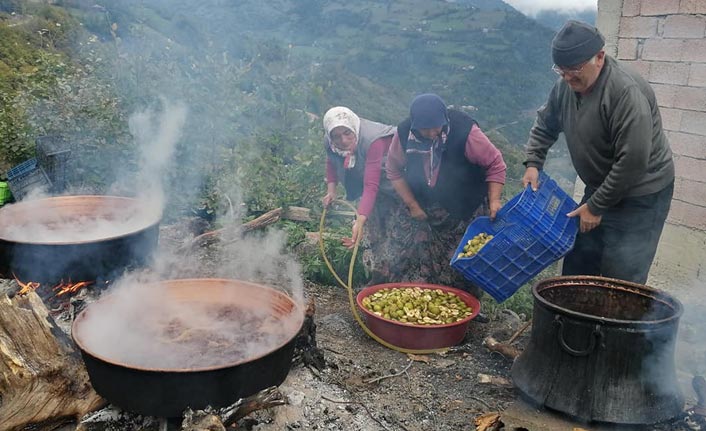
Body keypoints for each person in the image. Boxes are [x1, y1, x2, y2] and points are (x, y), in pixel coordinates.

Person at [523, 20, 675, 285]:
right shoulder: (566, 85)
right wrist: (533, 162)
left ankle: (617, 325)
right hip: (602, 186)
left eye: (575, 70)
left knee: (622, 276)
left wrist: (596, 205)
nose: (568, 78)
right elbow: (545, 124)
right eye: (562, 71)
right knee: (579, 266)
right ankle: (574, 325)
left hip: (641, 195)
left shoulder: (625, 93)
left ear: (599, 57)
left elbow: (633, 162)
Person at [384, 93, 506, 293]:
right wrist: (412, 205)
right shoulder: (405, 133)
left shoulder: (465, 132)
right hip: (426, 205)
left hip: (465, 205)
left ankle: (467, 304)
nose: (432, 133)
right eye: (425, 128)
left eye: (436, 127)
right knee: (418, 255)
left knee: (464, 260)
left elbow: (496, 164)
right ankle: (424, 296)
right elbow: (393, 170)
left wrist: (494, 201)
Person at [321, 107, 402, 279]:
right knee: (372, 229)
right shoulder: (330, 141)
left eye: (347, 133)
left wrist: (360, 218)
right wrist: (331, 191)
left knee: (397, 229)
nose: (343, 140)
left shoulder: (373, 141)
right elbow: (331, 160)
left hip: (395, 181)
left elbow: (371, 184)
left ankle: (400, 277)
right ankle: (380, 275)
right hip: (372, 186)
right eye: (336, 136)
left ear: (354, 128)